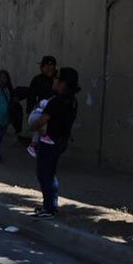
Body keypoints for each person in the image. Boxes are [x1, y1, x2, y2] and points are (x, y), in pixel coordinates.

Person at [29, 67, 80, 218]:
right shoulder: (72, 100)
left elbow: (42, 120)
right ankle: (49, 204)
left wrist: (33, 125)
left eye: (57, 78)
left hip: (50, 140)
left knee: (45, 173)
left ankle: (49, 208)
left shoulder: (56, 101)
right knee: (49, 173)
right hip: (61, 139)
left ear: (64, 83)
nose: (54, 80)